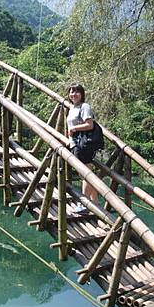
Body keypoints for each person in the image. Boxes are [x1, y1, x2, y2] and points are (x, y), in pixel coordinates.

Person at [66, 83, 98, 212]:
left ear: (82, 94)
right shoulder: (72, 107)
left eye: (77, 92)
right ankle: (95, 203)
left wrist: (74, 128)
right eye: (71, 92)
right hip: (76, 144)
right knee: (86, 174)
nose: (74, 94)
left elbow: (89, 125)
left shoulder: (85, 107)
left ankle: (84, 204)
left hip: (83, 145)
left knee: (86, 174)